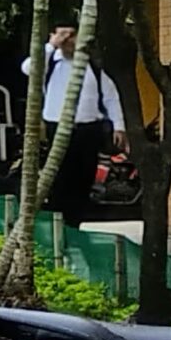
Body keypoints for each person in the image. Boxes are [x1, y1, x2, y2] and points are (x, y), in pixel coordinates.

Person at [41, 25, 117, 226]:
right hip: (57, 129)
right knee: (59, 179)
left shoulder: (92, 66)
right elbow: (29, 68)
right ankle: (59, 226)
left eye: (72, 35)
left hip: (88, 130)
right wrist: (51, 45)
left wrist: (119, 126)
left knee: (83, 180)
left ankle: (76, 224)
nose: (68, 40)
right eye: (63, 35)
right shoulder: (49, 63)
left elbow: (110, 96)